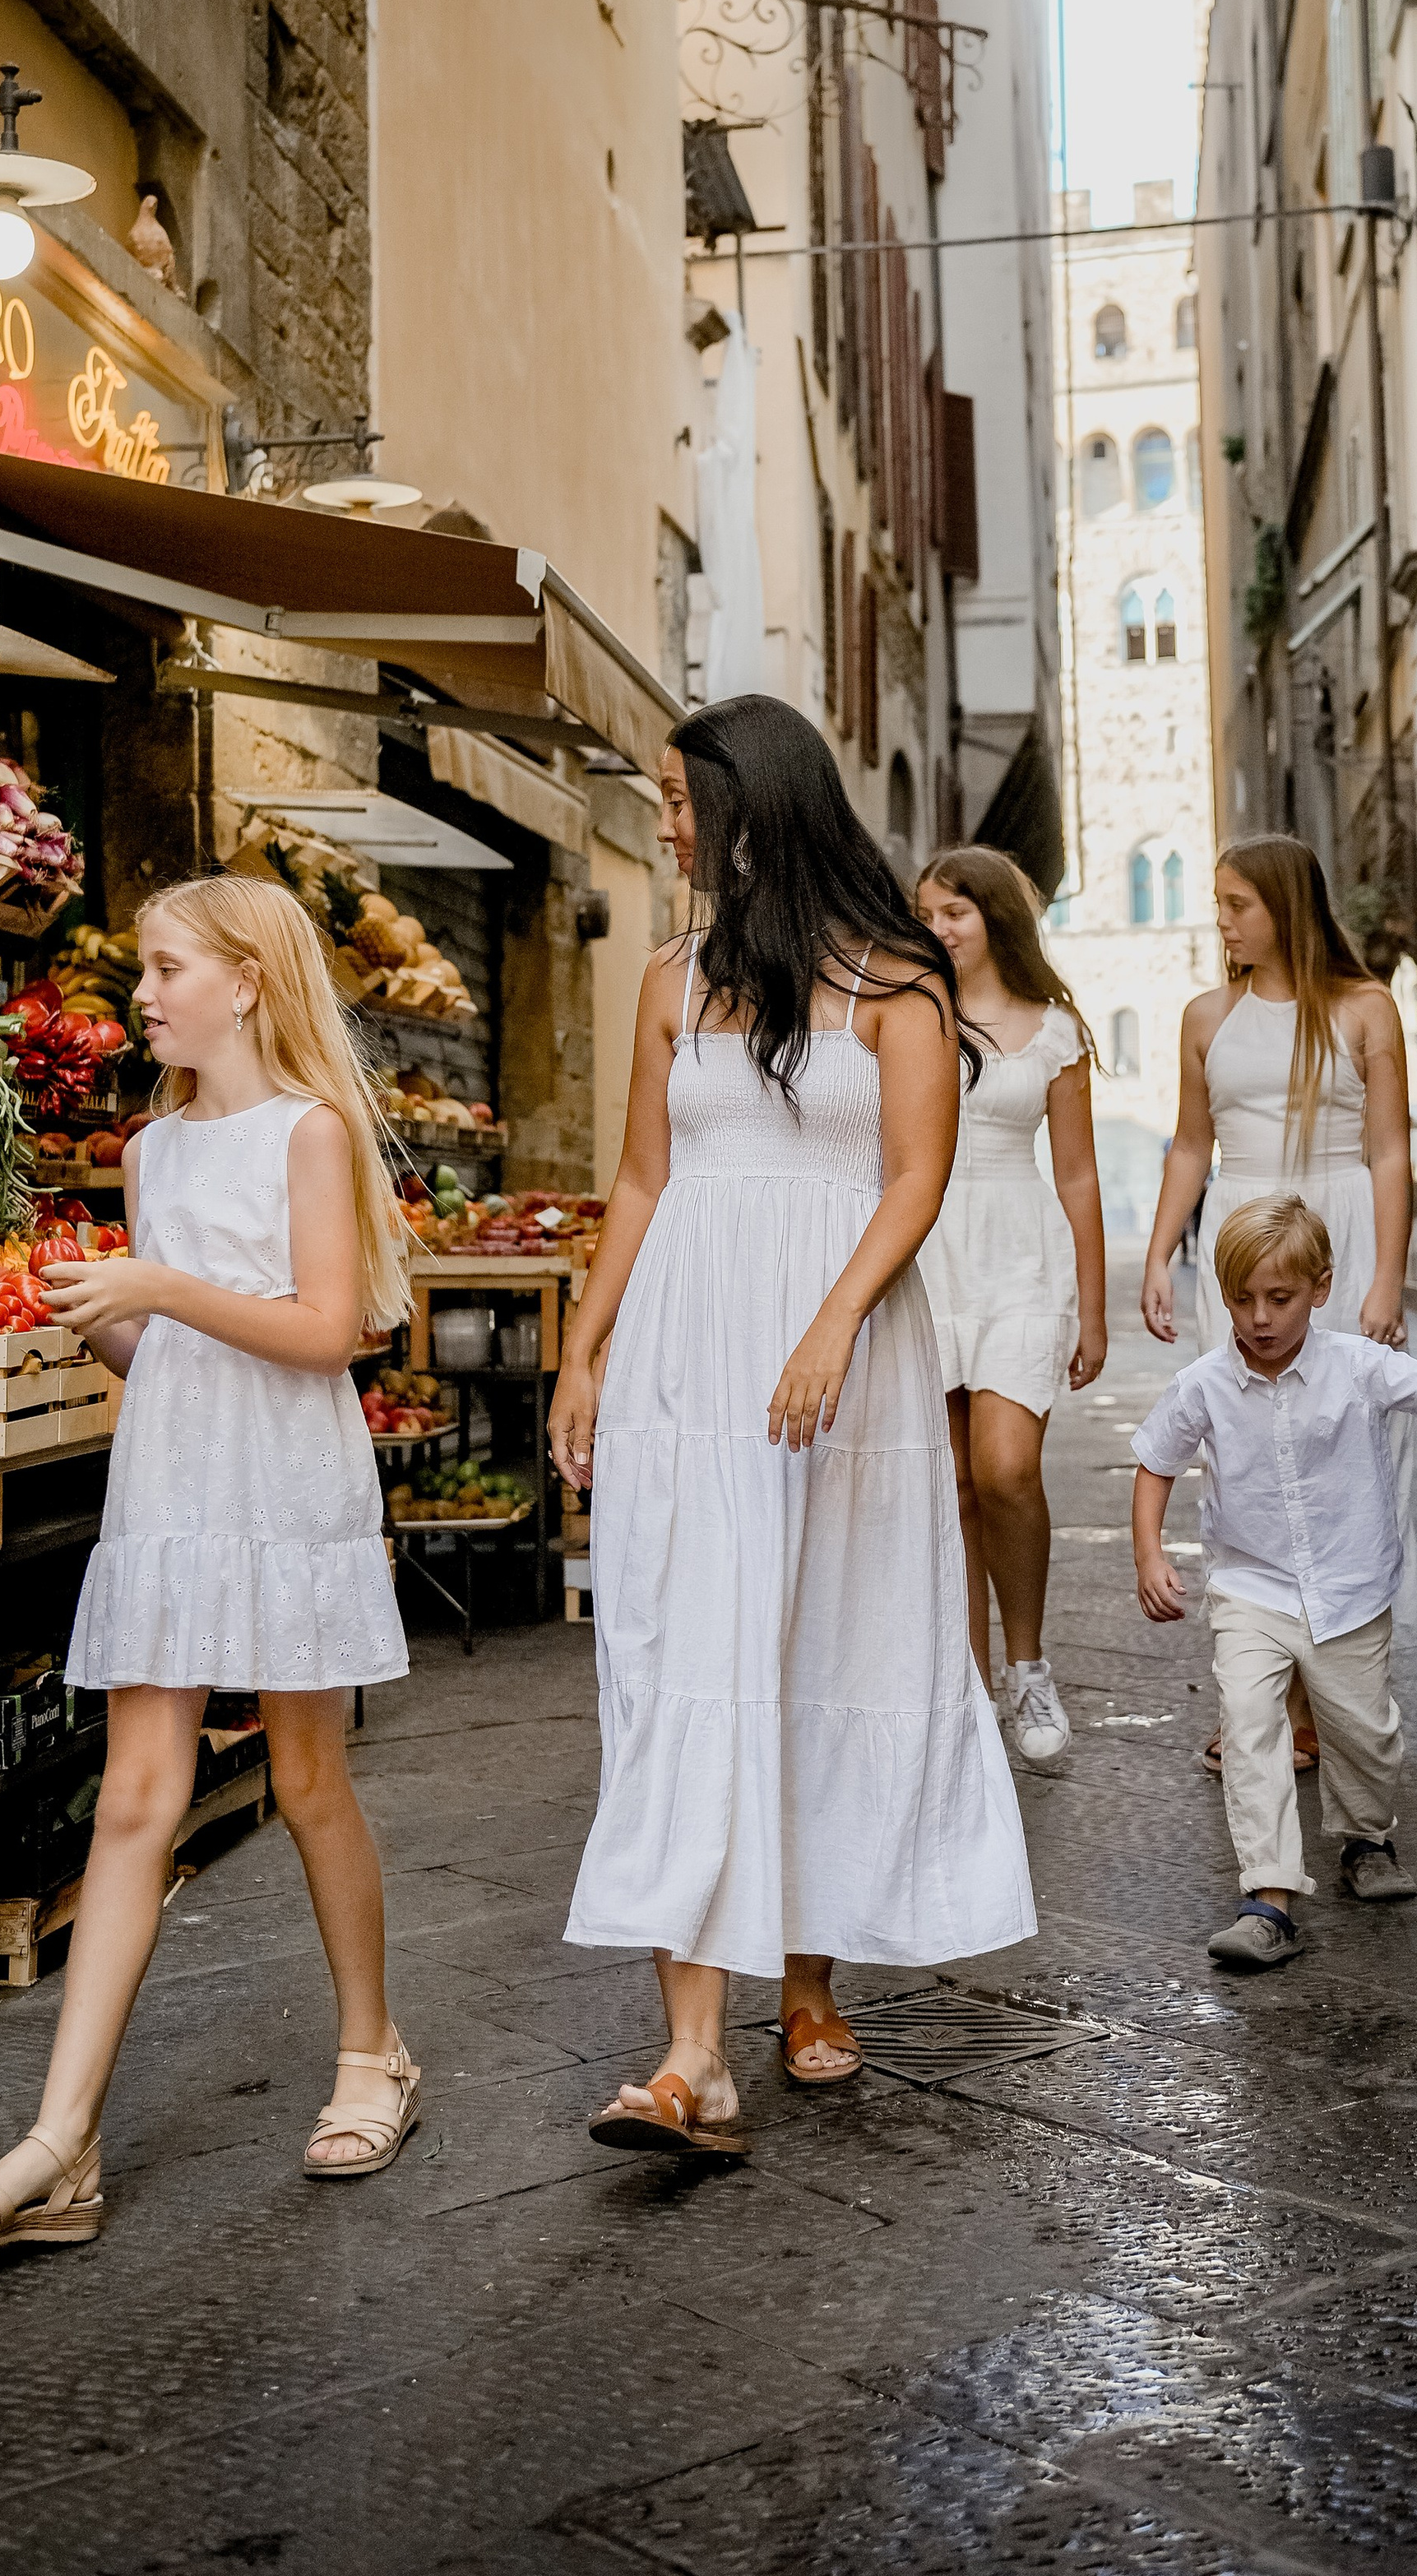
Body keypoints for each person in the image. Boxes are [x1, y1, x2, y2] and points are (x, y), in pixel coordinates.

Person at [551, 697, 1034, 2152]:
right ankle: (695, 2052)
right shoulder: (662, 981)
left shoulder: (899, 984)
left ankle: (810, 1977)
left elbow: (913, 1179)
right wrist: (584, 1351)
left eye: (683, 800)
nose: (667, 823)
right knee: (677, 1654)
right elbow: (640, 1180)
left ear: (758, 807)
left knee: (821, 1638)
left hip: (842, 1356)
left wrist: (831, 1322)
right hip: (686, 1362)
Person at [0, 879, 417, 2249]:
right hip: (177, 1485)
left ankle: (374, 2054)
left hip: (287, 1487)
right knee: (136, 1799)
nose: (141, 992)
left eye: (167, 967)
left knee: (308, 1782)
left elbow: (327, 1333)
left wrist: (157, 1288)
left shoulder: (310, 1136)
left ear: (247, 981)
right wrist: (87, 1313)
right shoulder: (148, 1151)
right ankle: (60, 2143)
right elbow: (171, 1353)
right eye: (142, 968)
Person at [1132, 1193, 1417, 1971]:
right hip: (1249, 1591)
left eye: (1280, 1298)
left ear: (1320, 1289)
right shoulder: (1203, 1383)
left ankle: (1366, 1836)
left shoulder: (1358, 1366)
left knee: (1365, 1735)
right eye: (1241, 1299)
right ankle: (1268, 1896)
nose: (1259, 1317)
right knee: (1251, 1728)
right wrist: (1150, 1554)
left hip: (1351, 1590)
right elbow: (1156, 1461)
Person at [1141, 836, 1416, 1772]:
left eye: (1234, 904)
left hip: (1340, 1232)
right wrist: (1156, 1258)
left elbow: (1388, 1152)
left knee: (1349, 1460)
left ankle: (1340, 1691)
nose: (1219, 921)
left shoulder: (1366, 1008)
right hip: (1242, 1230)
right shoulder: (1204, 1018)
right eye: (1217, 903)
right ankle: (1263, 1702)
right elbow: (1188, 1145)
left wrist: (1386, 1279)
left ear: (1285, 907)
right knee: (1245, 1460)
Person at [915, 845, 1107, 1765]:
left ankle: (1028, 1666)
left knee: (1005, 1470)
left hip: (1021, 1257)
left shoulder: (1054, 1029)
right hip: (926, 1251)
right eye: (926, 914)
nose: (939, 928)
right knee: (948, 1485)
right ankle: (964, 1683)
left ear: (995, 916)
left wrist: (1095, 1308)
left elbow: (1077, 1175)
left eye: (955, 911)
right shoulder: (909, 1016)